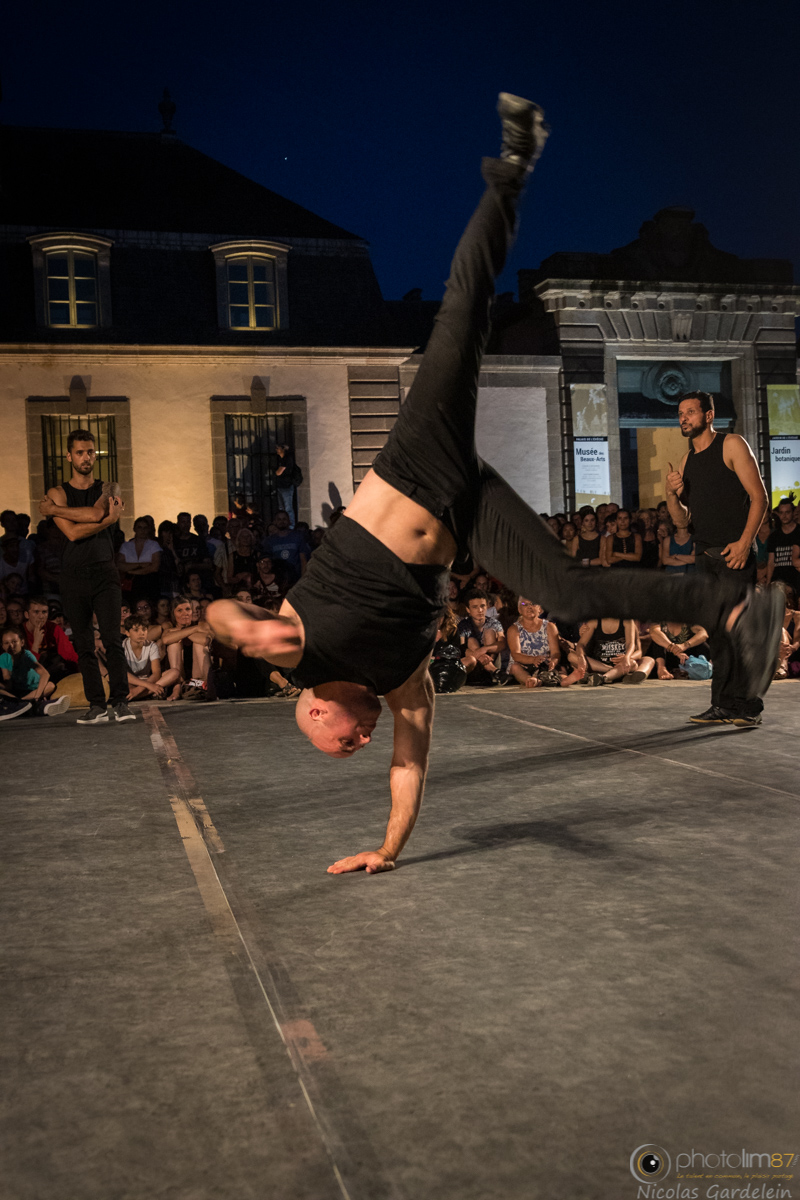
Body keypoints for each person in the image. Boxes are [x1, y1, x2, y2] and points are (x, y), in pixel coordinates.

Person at [208, 94, 782, 876]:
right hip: (467, 510)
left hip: (415, 466)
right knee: (570, 591)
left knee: (462, 315)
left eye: (344, 741)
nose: (363, 740)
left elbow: (220, 614)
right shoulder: (405, 688)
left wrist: (240, 623)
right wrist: (387, 847)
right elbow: (408, 768)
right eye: (360, 747)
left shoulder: (296, 649)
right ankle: (734, 607)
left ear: (315, 709)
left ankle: (511, 167)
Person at [665, 391, 776, 726]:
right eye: (680, 413)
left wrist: (745, 543)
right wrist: (670, 495)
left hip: (734, 553)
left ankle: (749, 706)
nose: (684, 418)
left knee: (739, 631)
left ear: (709, 415)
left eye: (690, 412)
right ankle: (723, 705)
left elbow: (760, 497)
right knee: (718, 634)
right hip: (705, 557)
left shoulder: (731, 445)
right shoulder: (686, 461)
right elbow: (682, 521)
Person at [38, 430, 133, 724]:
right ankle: (97, 705)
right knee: (84, 644)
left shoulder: (109, 487)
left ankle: (120, 702)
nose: (86, 457)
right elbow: (73, 532)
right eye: (79, 452)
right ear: (69, 456)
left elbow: (93, 514)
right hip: (73, 575)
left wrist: (56, 511)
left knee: (112, 639)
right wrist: (108, 519)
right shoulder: (57, 492)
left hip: (104, 571)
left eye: (90, 452)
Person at [0, 626, 70, 715]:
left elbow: (45, 674)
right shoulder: (3, 658)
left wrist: (37, 696)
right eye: (6, 643)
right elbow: (8, 683)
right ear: (3, 646)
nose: (11, 646)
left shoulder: (27, 655)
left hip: (34, 690)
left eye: (14, 642)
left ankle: (24, 703)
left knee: (50, 686)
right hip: (18, 691)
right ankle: (23, 703)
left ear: (22, 642)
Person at [21, 595, 79, 683]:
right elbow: (26, 667)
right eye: (36, 612)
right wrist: (36, 643)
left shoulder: (53, 628)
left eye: (44, 612)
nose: (41, 616)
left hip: (52, 673)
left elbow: (69, 654)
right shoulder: (19, 633)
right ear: (27, 614)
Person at [122, 615, 180, 701]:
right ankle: (149, 693)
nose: (141, 633)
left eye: (144, 629)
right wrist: (148, 686)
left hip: (148, 680)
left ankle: (138, 695)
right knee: (122, 683)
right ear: (127, 633)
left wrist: (140, 689)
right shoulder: (122, 647)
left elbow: (156, 673)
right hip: (131, 681)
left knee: (175, 672)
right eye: (136, 630)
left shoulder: (151, 646)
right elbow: (123, 674)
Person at [117, 516, 162, 607]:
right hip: (130, 583)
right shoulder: (126, 546)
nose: (142, 530)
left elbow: (154, 567)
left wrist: (131, 571)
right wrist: (141, 564)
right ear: (134, 529)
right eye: (139, 527)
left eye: (145, 528)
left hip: (149, 582)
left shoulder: (153, 545)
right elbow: (120, 565)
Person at [261, 510, 308, 583]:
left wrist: (303, 579)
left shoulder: (298, 537)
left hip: (296, 578)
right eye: (279, 519)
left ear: (289, 521)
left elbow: (303, 559)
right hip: (278, 579)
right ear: (275, 522)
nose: (282, 521)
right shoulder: (269, 541)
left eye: (284, 519)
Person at [765, 498, 800, 592]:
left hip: (795, 581)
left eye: (787, 512)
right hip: (778, 580)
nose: (784, 516)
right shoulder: (774, 536)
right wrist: (768, 583)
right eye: (781, 513)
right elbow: (771, 562)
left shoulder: (798, 532)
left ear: (793, 512)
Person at [275, 443, 301, 528]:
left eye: (278, 448)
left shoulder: (287, 458)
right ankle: (283, 525)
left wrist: (277, 471)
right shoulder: (282, 459)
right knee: (282, 507)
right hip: (282, 485)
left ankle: (291, 526)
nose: (276, 450)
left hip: (286, 486)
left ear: (283, 449)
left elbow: (278, 472)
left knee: (287, 508)